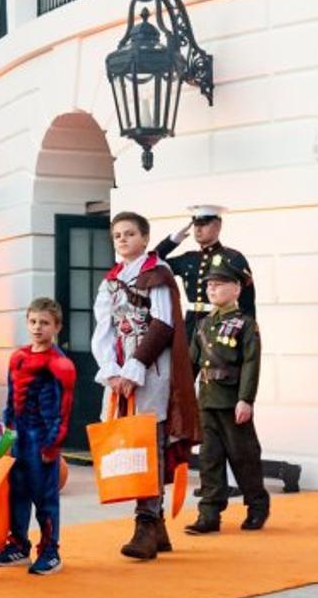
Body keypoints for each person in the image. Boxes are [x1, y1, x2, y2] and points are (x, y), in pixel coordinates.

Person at [90, 212, 200, 560]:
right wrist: (110, 369)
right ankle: (158, 526)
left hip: (151, 371)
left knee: (149, 441)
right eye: (117, 235)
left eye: (129, 234)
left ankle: (146, 522)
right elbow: (103, 329)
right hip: (120, 373)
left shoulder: (159, 275)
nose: (122, 239)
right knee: (131, 442)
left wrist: (134, 367)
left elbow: (163, 324)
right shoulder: (110, 282)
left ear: (144, 238)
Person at [184, 254, 270, 534]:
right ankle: (209, 513)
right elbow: (191, 364)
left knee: (243, 456)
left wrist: (246, 399)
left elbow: (251, 363)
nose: (212, 289)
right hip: (206, 400)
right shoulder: (202, 325)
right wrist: (183, 397)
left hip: (232, 401)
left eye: (219, 284)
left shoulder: (245, 324)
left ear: (236, 288)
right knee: (209, 459)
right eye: (209, 284)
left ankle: (257, 505)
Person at [0, 297, 76, 574]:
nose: (38, 328)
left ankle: (50, 551)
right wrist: (7, 433)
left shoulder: (60, 364)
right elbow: (11, 399)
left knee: (45, 497)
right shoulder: (18, 357)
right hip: (19, 438)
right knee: (17, 494)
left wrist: (53, 443)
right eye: (33, 322)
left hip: (43, 439)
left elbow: (63, 409)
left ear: (57, 327)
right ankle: (18, 544)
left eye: (45, 323)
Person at [154, 205, 256, 333]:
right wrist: (173, 240)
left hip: (221, 324)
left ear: (218, 226)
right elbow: (152, 264)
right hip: (191, 326)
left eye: (203, 224)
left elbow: (247, 301)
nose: (198, 229)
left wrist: (246, 333)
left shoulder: (232, 257)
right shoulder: (188, 258)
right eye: (196, 225)